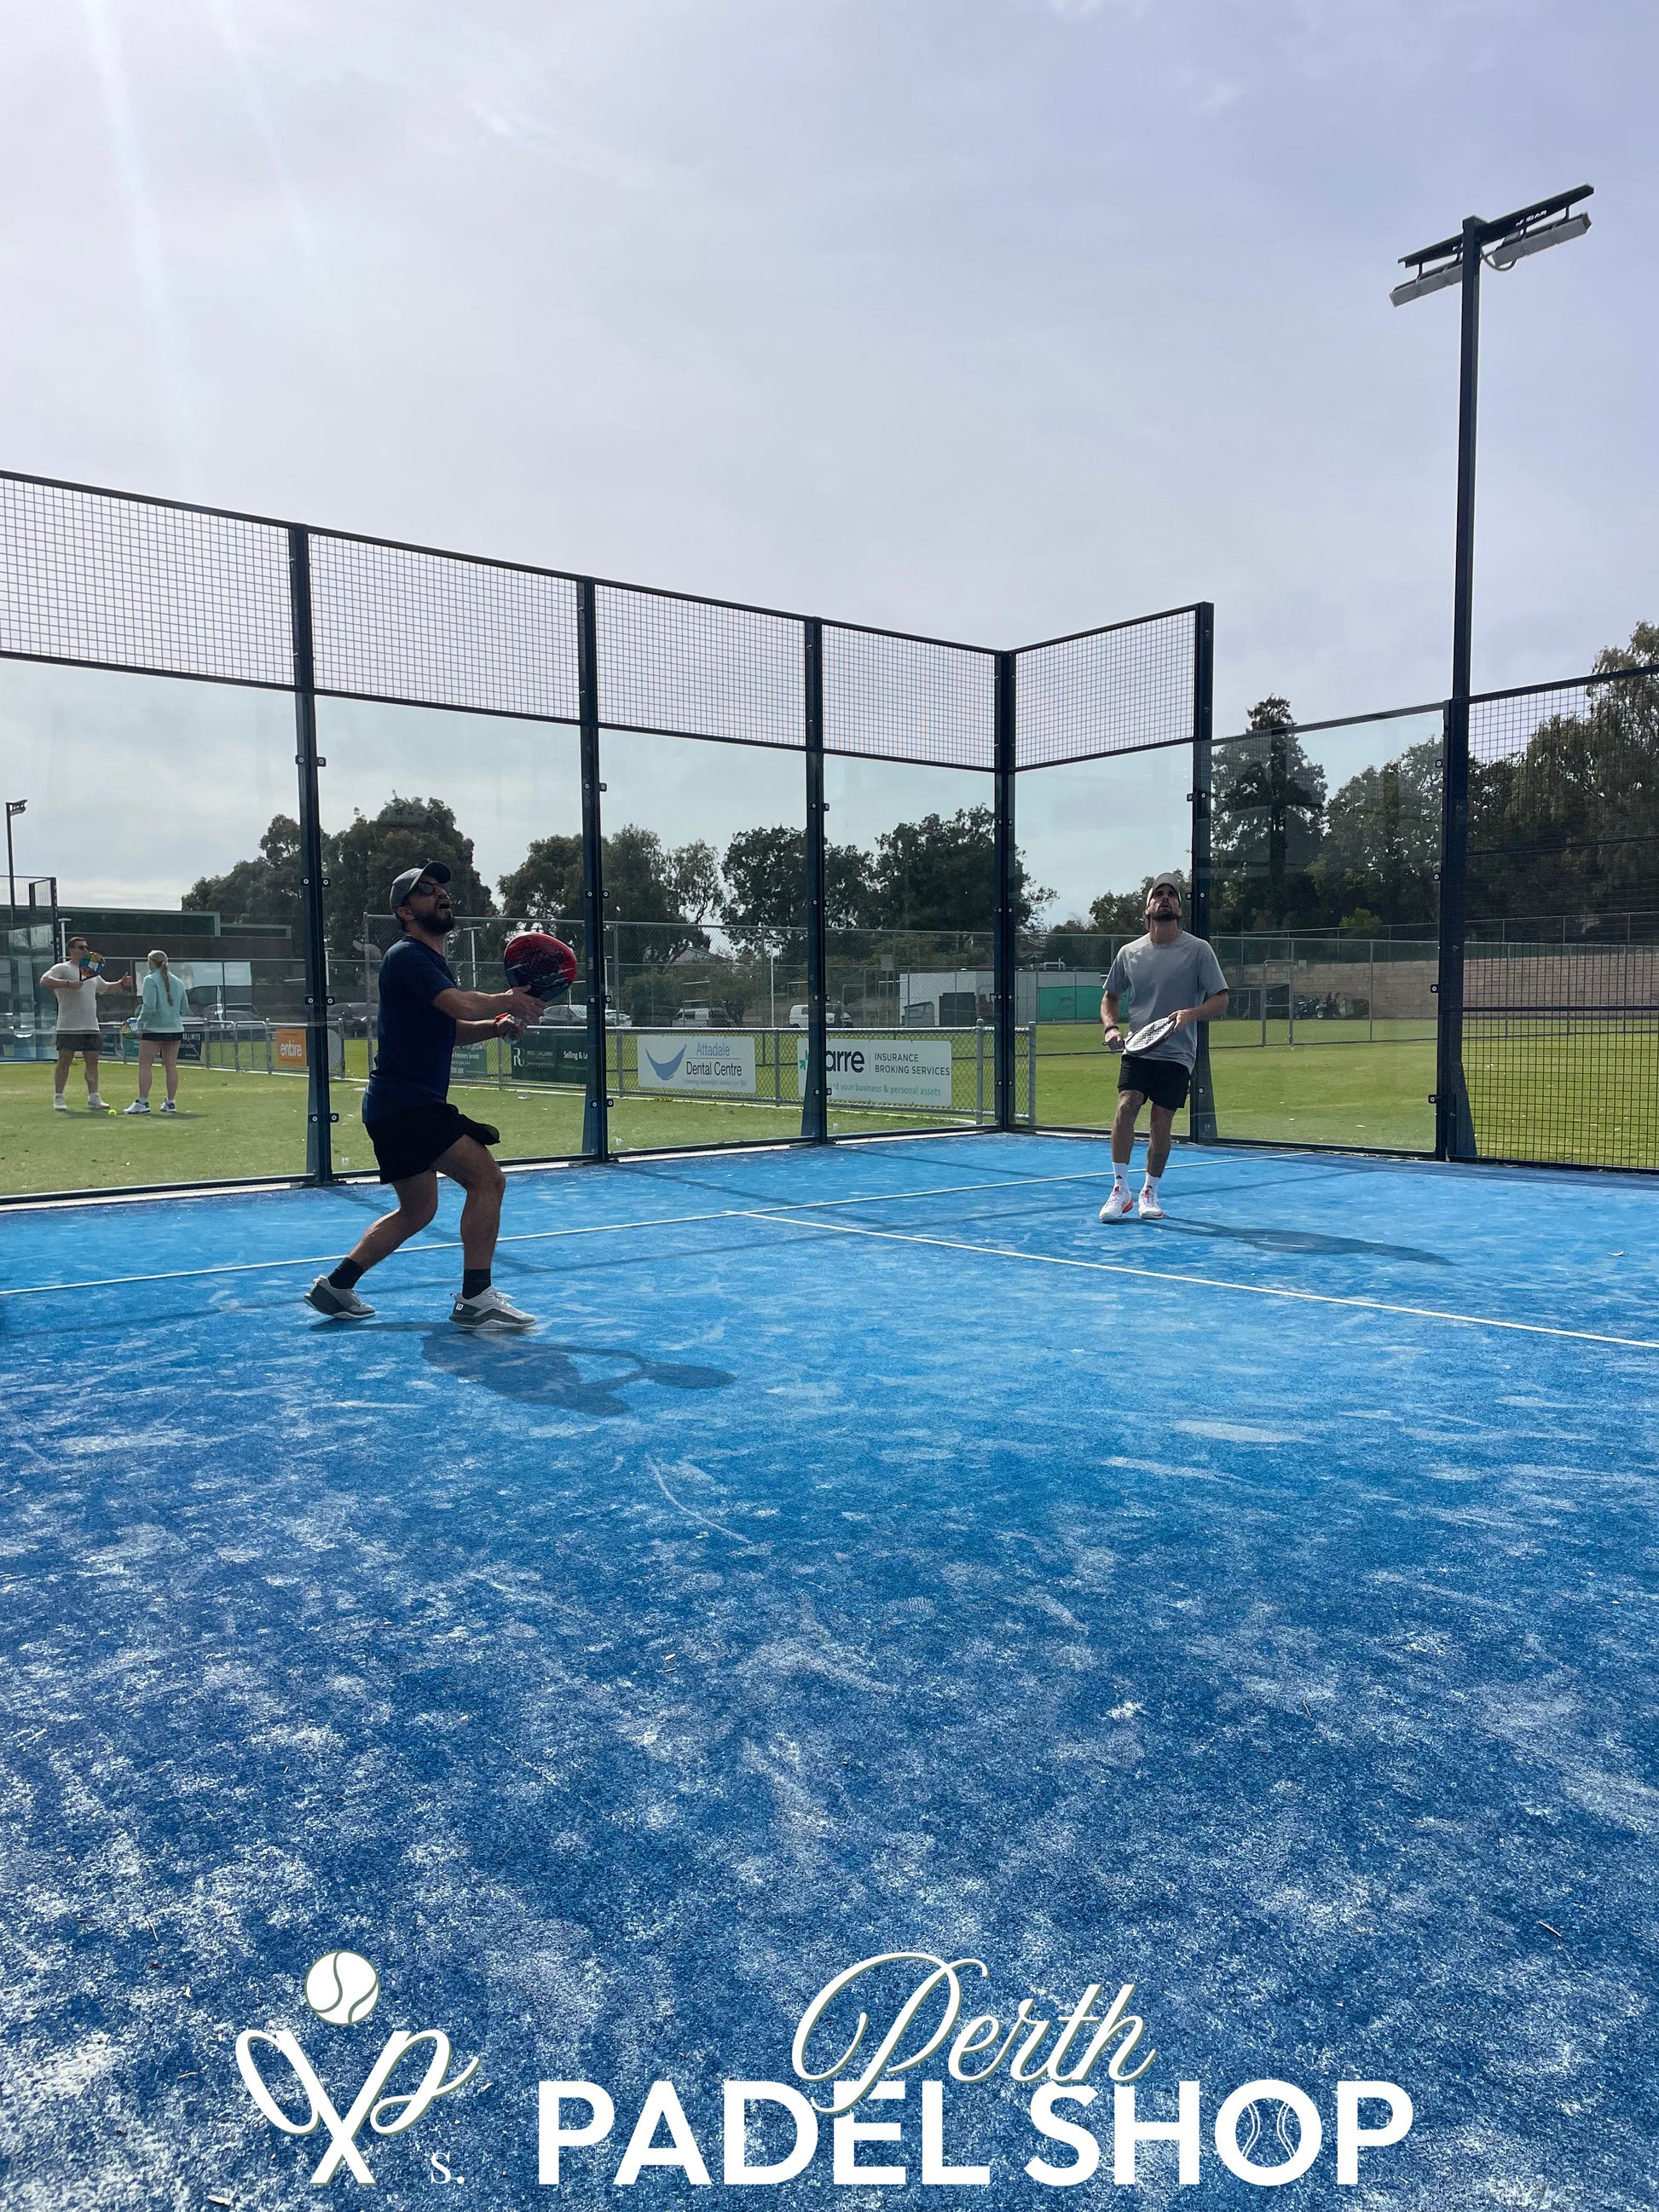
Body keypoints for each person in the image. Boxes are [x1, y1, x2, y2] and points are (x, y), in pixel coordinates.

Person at [306, 862, 544, 1329]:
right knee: (487, 1180)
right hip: (409, 1104)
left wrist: (497, 1026)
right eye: (426, 890)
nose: (440, 894)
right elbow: (459, 1004)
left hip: (392, 1106)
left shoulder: (428, 963)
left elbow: (449, 1030)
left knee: (418, 1210)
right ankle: (476, 1298)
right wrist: (507, 1000)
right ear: (405, 911)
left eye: (441, 888)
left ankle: (336, 1286)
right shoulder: (407, 956)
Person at [1099, 873, 1228, 1222]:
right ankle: (1120, 1190)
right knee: (1126, 1105)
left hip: (1178, 1053)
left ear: (1180, 910)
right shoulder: (1129, 953)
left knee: (1160, 1122)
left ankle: (1149, 1191)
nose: (1165, 898)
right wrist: (1111, 1027)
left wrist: (1192, 1014)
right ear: (1148, 908)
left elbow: (1221, 999)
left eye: (1172, 894)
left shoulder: (1199, 951)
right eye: (1159, 894)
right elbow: (1110, 997)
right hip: (1138, 1049)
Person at [41, 936, 133, 1112]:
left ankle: (94, 1097)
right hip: (68, 1026)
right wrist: (68, 984)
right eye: (81, 947)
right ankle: (59, 1097)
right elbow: (44, 981)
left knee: (92, 1062)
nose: (86, 950)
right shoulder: (62, 968)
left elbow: (106, 988)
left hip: (91, 1026)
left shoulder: (91, 971)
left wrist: (121, 983)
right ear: (71, 950)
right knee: (64, 1061)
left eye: (86, 947)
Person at [124, 950, 189, 1114]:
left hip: (153, 1030)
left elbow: (149, 1006)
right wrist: (170, 1015)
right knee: (171, 1066)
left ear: (151, 962)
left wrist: (140, 1024)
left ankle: (143, 1102)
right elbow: (184, 1008)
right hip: (175, 1029)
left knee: (145, 1065)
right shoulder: (178, 982)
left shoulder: (150, 979)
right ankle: (171, 1103)